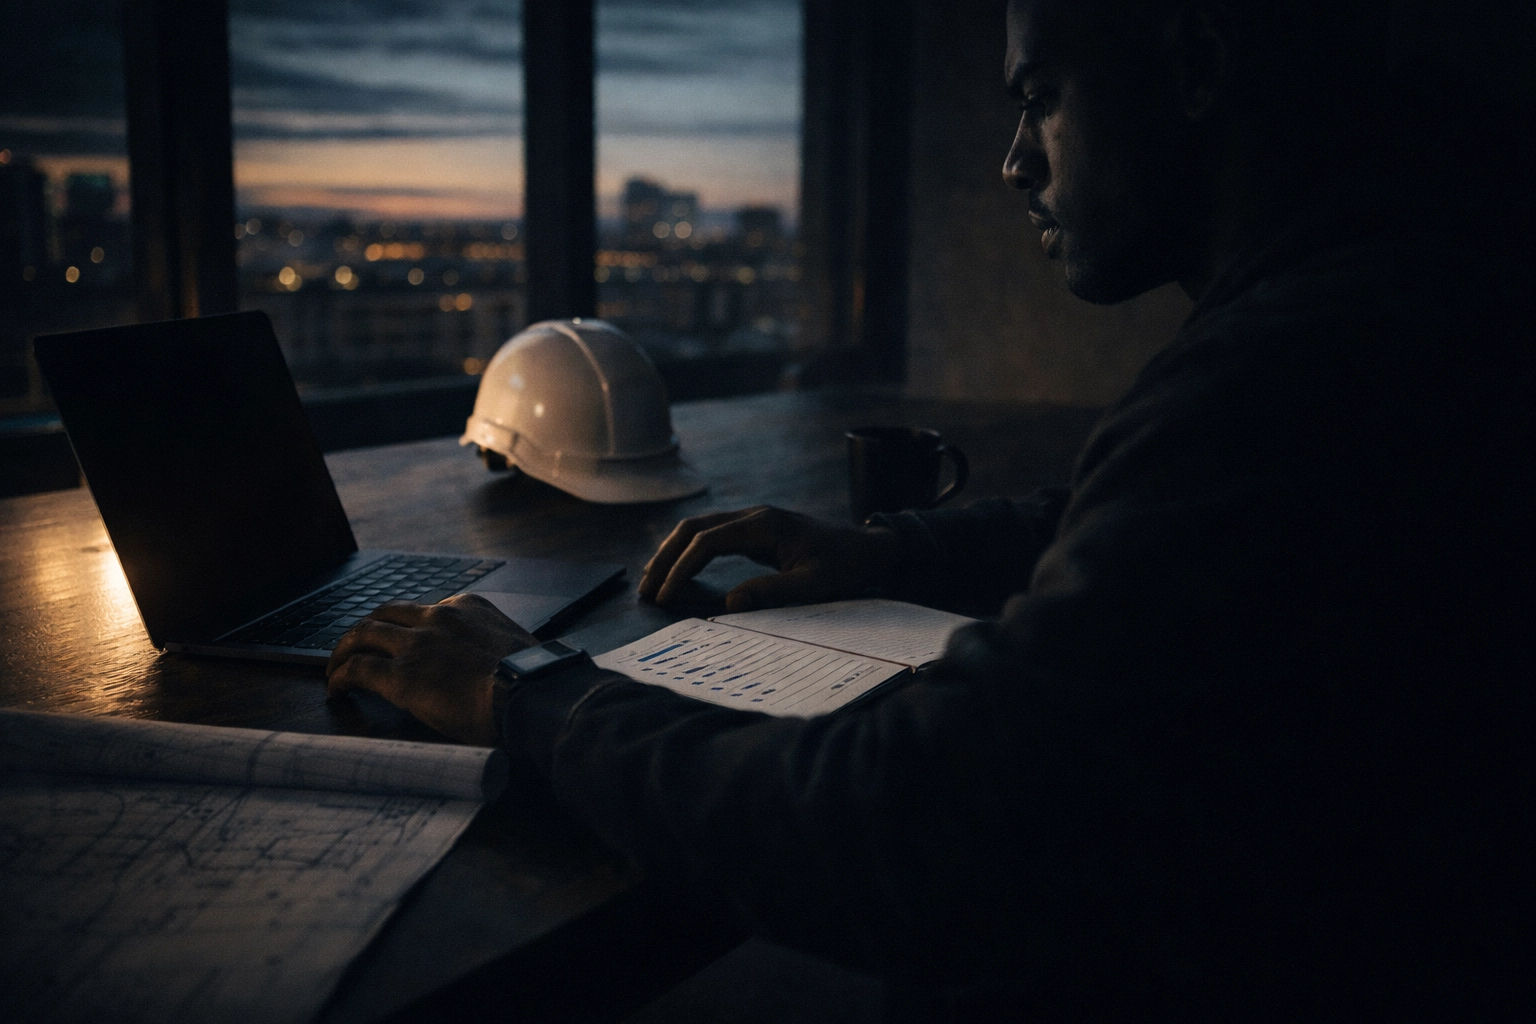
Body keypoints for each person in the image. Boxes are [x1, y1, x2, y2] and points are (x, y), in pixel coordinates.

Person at [325, 0, 1532, 1015]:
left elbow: (908, 817)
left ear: (1198, 67)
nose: (1015, 160)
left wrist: (536, 694)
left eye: (1040, 94)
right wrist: (886, 549)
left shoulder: (1290, 376)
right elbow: (1149, 521)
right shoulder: (1411, 284)